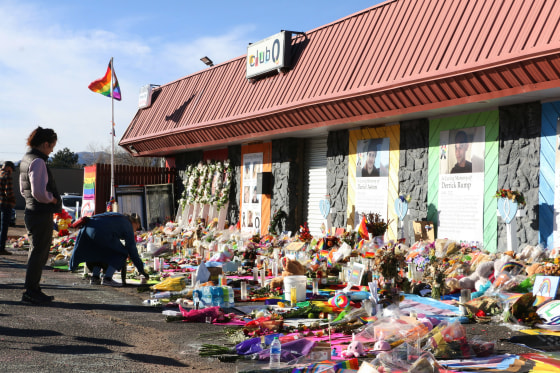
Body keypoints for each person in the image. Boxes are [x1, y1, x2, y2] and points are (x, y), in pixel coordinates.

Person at [19, 126, 62, 304]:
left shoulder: (26, 159)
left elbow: (24, 190)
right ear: (45, 144)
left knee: (36, 251)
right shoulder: (38, 161)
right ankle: (31, 291)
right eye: (52, 146)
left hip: (31, 211)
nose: (52, 150)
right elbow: (39, 192)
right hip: (40, 212)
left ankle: (33, 289)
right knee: (39, 253)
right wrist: (52, 199)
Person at [69, 212, 149, 287]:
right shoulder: (128, 225)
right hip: (101, 232)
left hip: (89, 229)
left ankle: (95, 277)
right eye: (137, 228)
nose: (135, 231)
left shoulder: (119, 217)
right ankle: (108, 278)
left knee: (99, 252)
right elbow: (132, 250)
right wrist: (141, 269)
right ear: (135, 223)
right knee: (122, 253)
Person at [0, 161, 16, 255]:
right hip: (6, 204)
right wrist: (13, 201)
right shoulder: (7, 175)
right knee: (4, 227)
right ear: (8, 167)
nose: (11, 171)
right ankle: (1, 248)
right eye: (11, 169)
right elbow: (8, 192)